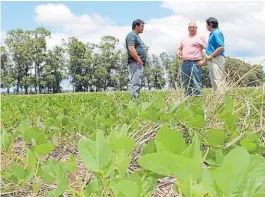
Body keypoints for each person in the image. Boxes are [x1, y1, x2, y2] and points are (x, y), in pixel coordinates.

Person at [177, 21, 207, 96]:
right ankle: (188, 99)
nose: (192, 29)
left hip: (195, 63)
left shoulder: (200, 37)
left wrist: (204, 60)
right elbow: (179, 48)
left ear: (196, 28)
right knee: (186, 82)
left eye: (193, 27)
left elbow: (208, 49)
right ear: (188, 29)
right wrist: (178, 52)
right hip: (185, 63)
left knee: (196, 82)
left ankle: (198, 98)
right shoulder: (183, 38)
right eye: (190, 27)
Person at [125, 19, 146, 98]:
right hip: (135, 62)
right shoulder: (131, 35)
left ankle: (136, 98)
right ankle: (134, 100)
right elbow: (131, 48)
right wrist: (138, 59)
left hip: (138, 62)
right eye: (142, 26)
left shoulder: (137, 36)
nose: (143, 28)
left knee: (138, 81)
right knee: (136, 81)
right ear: (136, 26)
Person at [205, 17, 226, 93]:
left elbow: (220, 47)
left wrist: (210, 56)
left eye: (207, 25)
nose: (206, 26)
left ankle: (221, 101)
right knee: (215, 82)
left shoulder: (216, 33)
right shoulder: (213, 34)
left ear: (210, 25)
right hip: (213, 59)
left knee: (218, 81)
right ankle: (217, 100)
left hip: (216, 59)